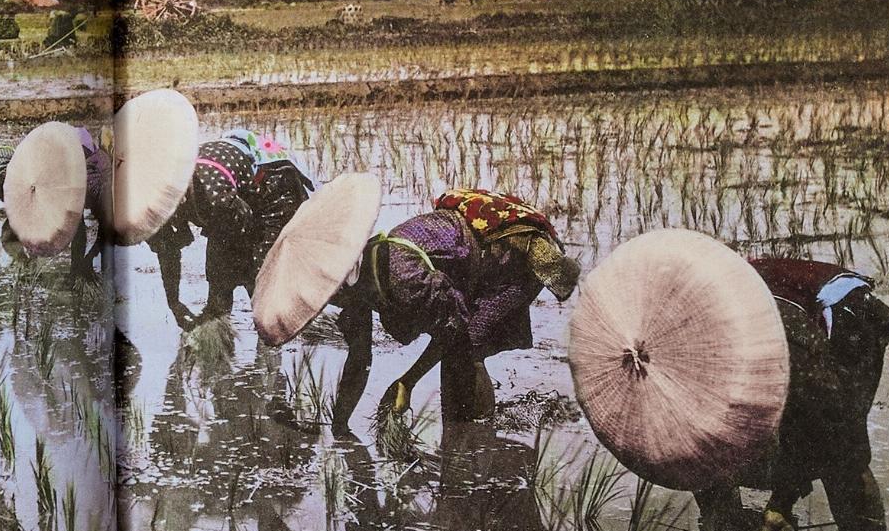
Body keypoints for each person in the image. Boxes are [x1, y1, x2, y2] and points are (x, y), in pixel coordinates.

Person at [331, 189, 580, 434]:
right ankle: (457, 435)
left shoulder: (401, 276)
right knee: (456, 354)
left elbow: (454, 326)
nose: (337, 304)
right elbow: (359, 359)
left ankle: (479, 437)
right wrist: (340, 427)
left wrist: (407, 382)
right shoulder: (358, 284)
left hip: (512, 256)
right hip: (472, 261)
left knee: (469, 346)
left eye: (336, 298)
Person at [147, 129, 316, 326]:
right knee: (219, 278)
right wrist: (174, 303)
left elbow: (248, 225)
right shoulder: (155, 206)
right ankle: (219, 330)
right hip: (232, 187)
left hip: (272, 180)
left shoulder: (215, 196)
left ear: (182, 197)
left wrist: (250, 275)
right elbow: (167, 252)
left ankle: (272, 335)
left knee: (259, 272)